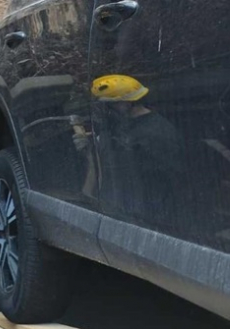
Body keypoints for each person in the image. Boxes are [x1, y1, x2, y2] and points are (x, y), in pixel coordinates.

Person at [76, 74, 188, 229]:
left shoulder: (156, 134)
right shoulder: (125, 124)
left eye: (108, 106)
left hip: (143, 217)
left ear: (126, 103)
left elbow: (121, 171)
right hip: (126, 209)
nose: (104, 112)